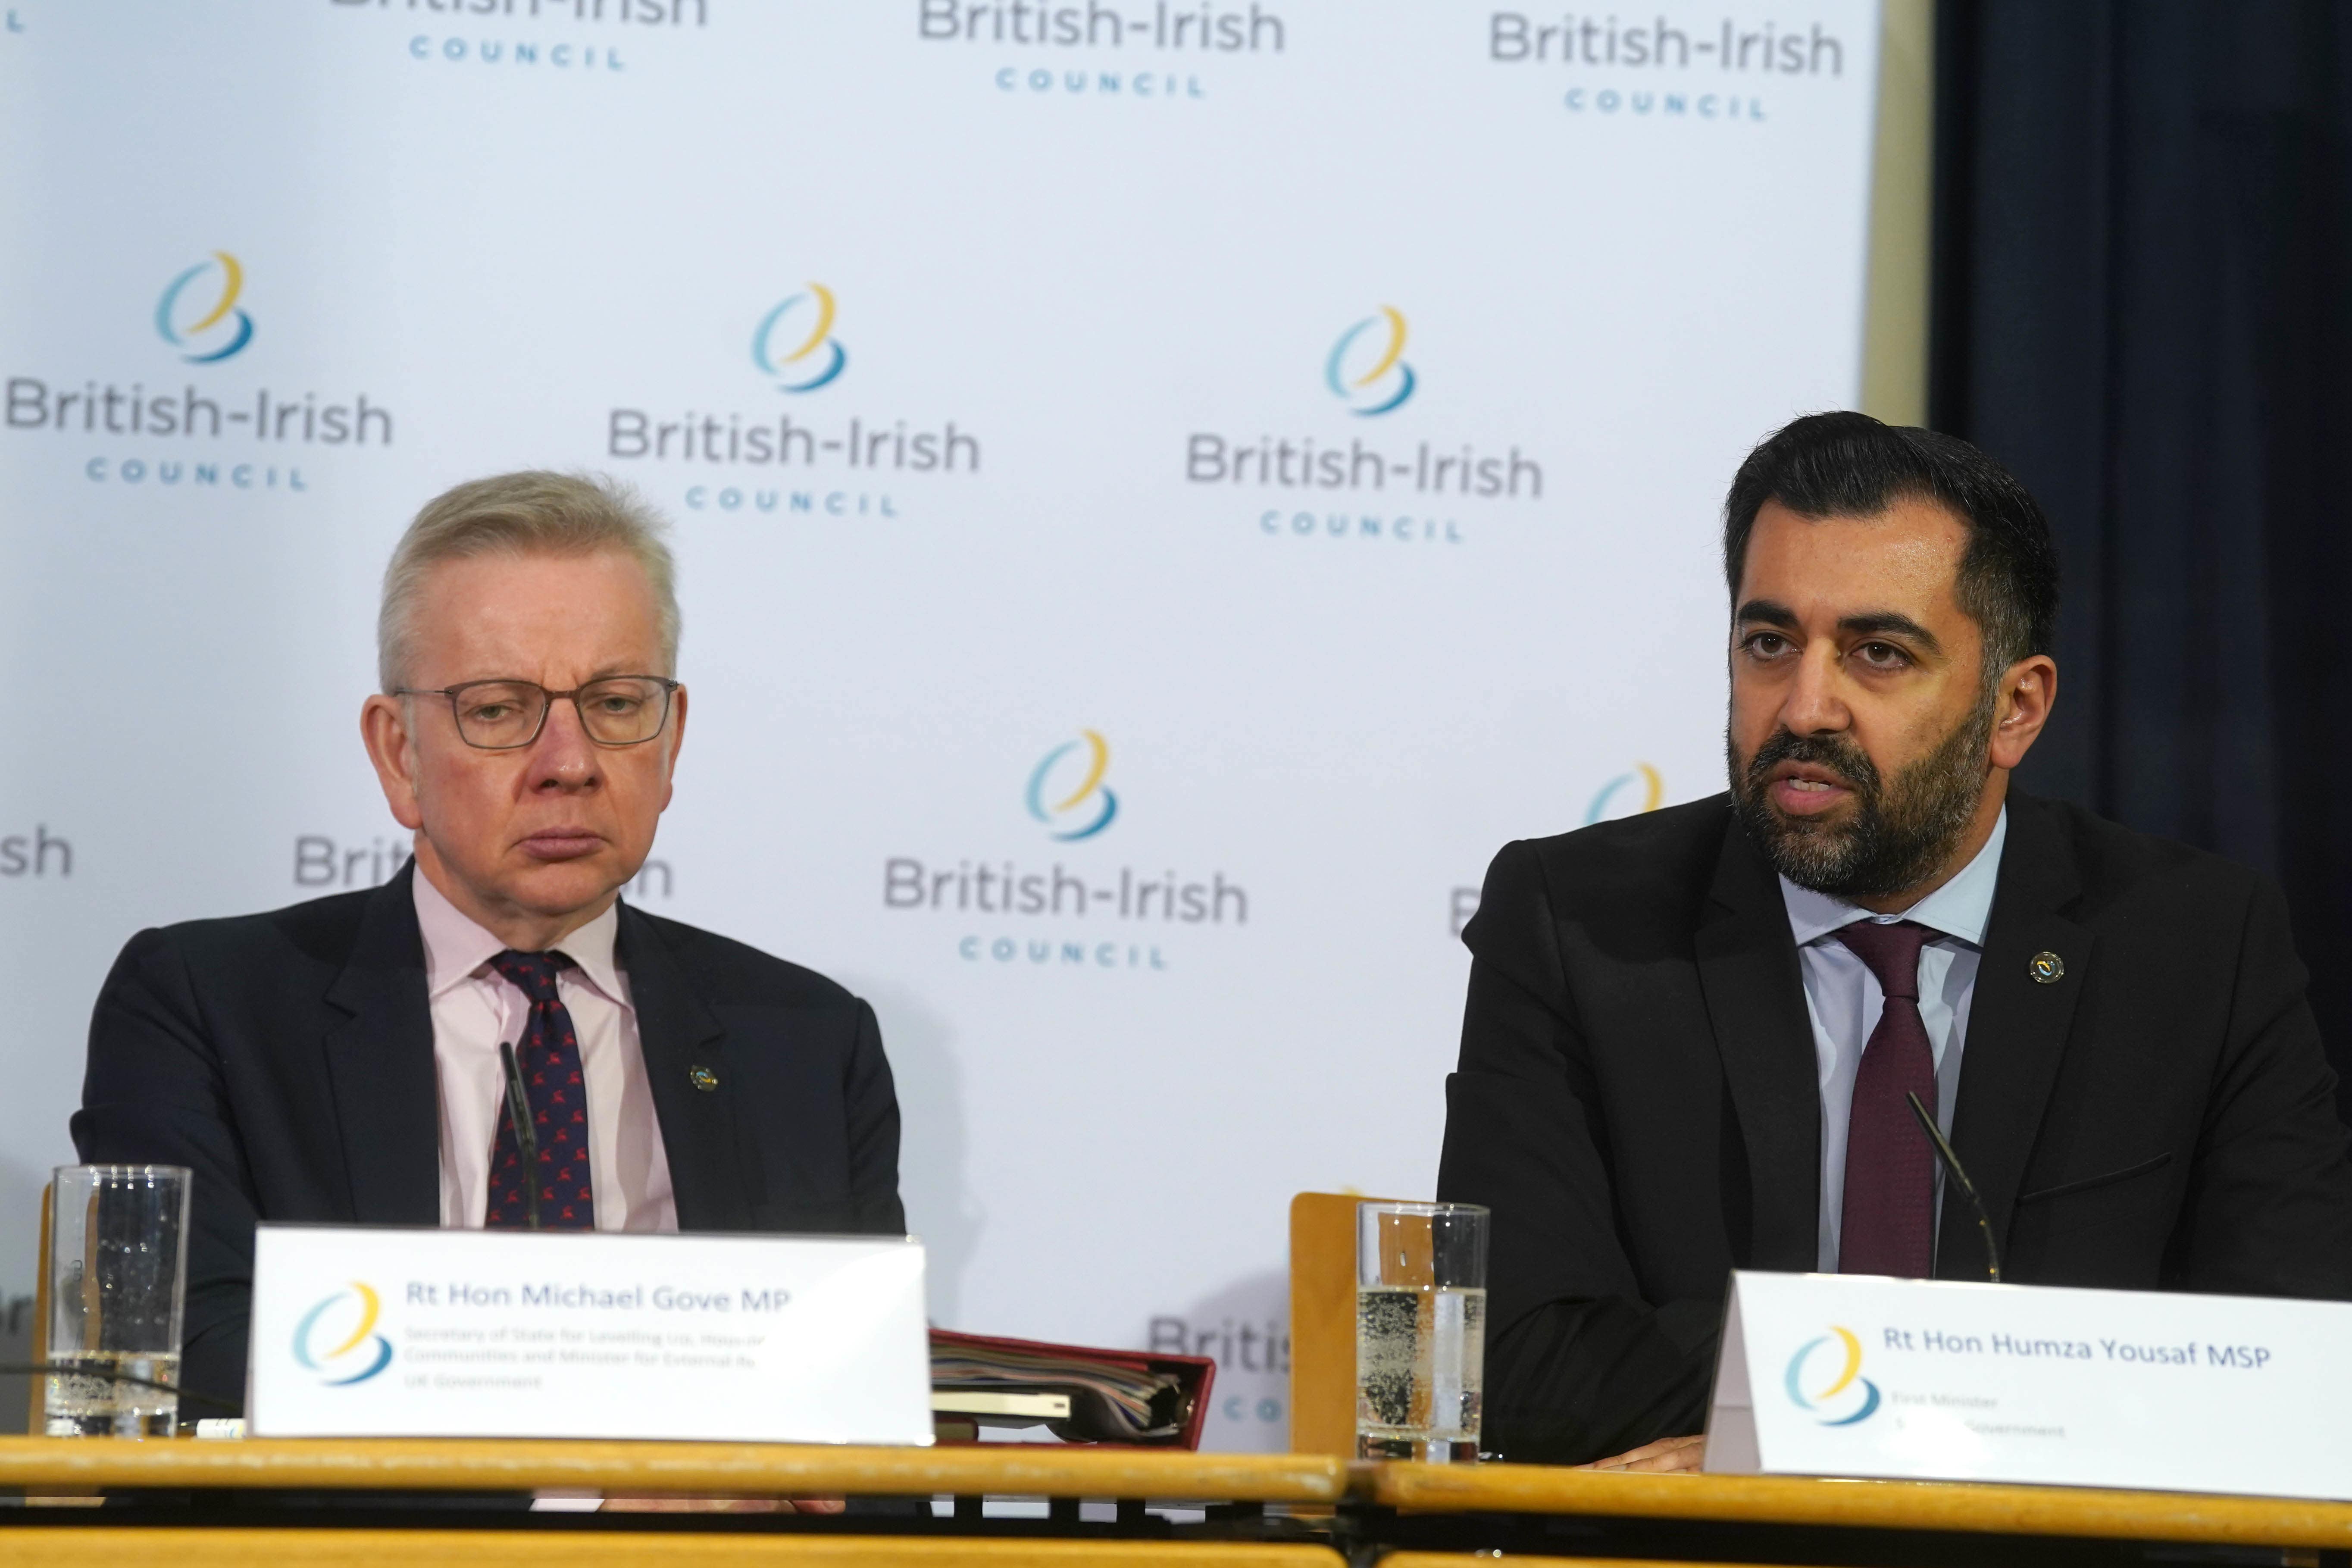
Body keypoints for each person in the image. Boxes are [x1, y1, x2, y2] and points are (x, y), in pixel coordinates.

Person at [1437, 413, 2352, 1471]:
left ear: (2015, 708)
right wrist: (1992, 1393)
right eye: (1768, 643)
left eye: (1878, 653)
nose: (1805, 706)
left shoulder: (2191, 946)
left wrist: (1820, 1416)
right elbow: (1508, 1357)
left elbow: (2290, 1370)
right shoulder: (1580, 920)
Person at [74, 472, 906, 1415]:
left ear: (672, 741)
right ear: (399, 755)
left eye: (618, 704)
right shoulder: (208, 1005)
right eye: (501, 709)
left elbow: (859, 1410)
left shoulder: (805, 1041)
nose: (571, 763)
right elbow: (185, 1358)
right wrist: (593, 1487)